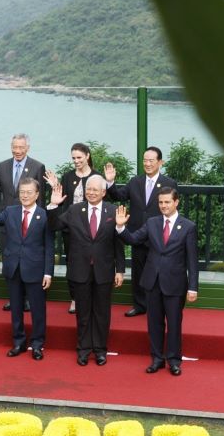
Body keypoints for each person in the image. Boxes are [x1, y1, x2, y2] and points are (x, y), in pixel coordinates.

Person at [116, 188, 198, 376]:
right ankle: (157, 359)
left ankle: (174, 361)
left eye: (167, 202)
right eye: (161, 202)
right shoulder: (152, 223)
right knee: (154, 324)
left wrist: (193, 287)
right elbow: (133, 239)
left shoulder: (188, 226)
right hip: (152, 282)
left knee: (174, 324)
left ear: (176, 202)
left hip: (175, 284)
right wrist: (121, 228)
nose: (163, 206)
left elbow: (192, 261)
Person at [48, 175, 125, 366]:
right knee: (82, 313)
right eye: (88, 189)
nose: (91, 193)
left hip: (104, 270)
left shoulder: (113, 211)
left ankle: (100, 350)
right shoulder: (74, 210)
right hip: (79, 269)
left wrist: (120, 270)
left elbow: (118, 243)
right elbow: (54, 225)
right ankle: (83, 349)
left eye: (95, 190)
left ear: (103, 192)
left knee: (102, 313)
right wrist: (53, 206)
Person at [0, 180, 54, 360]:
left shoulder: (45, 215)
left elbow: (49, 246)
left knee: (38, 310)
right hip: (13, 268)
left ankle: (37, 345)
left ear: (37, 194)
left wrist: (48, 272)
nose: (25, 195)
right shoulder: (10, 211)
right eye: (22, 192)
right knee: (15, 309)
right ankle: (18, 343)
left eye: (29, 192)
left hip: (36, 269)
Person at [105, 146, 177, 318]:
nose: (147, 164)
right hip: (137, 235)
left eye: (151, 160)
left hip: (159, 235)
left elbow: (172, 209)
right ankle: (139, 305)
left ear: (160, 162)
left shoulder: (169, 183)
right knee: (138, 272)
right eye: (145, 160)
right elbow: (118, 196)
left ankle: (157, 306)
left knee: (158, 271)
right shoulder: (135, 181)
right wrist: (110, 182)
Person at [0, 133, 46, 311]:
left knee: (28, 261)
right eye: (14, 147)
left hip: (29, 224)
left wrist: (38, 224)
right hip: (9, 223)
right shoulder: (3, 166)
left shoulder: (37, 166)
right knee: (10, 262)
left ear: (27, 148)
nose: (17, 150)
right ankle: (14, 298)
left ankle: (28, 299)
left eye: (21, 147)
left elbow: (40, 199)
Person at [44, 142, 99, 314]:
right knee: (72, 263)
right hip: (71, 229)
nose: (76, 161)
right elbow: (62, 199)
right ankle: (74, 298)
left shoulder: (97, 176)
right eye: (73, 158)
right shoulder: (68, 176)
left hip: (92, 229)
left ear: (87, 156)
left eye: (79, 157)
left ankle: (91, 297)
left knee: (93, 262)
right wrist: (55, 186)